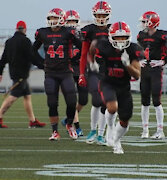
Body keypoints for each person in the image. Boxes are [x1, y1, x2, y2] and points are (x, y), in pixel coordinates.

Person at [89, 21, 142, 154]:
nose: (120, 40)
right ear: (111, 37)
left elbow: (137, 75)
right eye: (117, 37)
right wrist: (92, 62)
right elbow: (92, 49)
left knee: (125, 120)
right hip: (108, 82)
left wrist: (127, 64)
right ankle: (110, 128)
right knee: (112, 108)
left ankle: (117, 141)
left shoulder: (132, 49)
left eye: (123, 37)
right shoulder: (104, 46)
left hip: (124, 86)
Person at [33, 8, 82, 140]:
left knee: (72, 102)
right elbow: (33, 50)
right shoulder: (43, 32)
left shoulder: (68, 32)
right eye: (51, 18)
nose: (53, 21)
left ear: (61, 19)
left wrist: (74, 59)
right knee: (52, 103)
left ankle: (70, 124)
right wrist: (41, 63)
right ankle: (54, 131)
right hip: (50, 73)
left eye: (55, 18)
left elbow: (83, 47)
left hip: (66, 72)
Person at [0, 20, 46, 129]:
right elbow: (32, 57)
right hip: (21, 74)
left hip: (15, 73)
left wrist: (0, 72)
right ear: (24, 29)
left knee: (27, 96)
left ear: (16, 29)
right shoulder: (25, 41)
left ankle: (32, 121)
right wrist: (43, 65)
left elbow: (3, 59)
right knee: (13, 96)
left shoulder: (9, 42)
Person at [137, 11, 167, 139]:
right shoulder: (141, 36)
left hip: (156, 71)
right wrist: (139, 60)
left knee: (156, 101)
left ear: (152, 22)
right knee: (144, 102)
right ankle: (145, 130)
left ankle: (160, 130)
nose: (143, 24)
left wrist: (163, 62)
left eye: (145, 21)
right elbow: (140, 51)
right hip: (145, 70)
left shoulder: (163, 36)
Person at [78, 1, 112, 145]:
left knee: (106, 103)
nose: (100, 17)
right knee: (97, 100)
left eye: (103, 14)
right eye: (98, 14)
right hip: (93, 69)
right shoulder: (89, 30)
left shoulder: (113, 29)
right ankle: (93, 130)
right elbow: (84, 53)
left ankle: (100, 134)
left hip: (108, 70)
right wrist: (81, 73)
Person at [60, 9, 88, 137]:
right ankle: (77, 126)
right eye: (69, 21)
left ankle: (69, 118)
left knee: (83, 100)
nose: (71, 23)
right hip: (68, 70)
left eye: (73, 21)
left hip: (81, 69)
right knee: (72, 99)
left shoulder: (82, 35)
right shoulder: (62, 36)